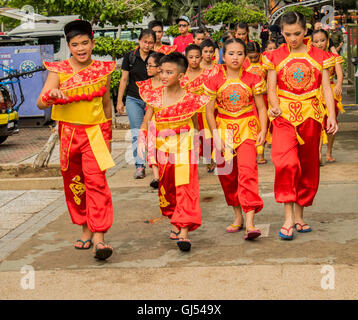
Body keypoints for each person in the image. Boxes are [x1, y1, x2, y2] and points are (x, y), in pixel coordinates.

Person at [37, 20, 116, 260]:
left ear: (92, 43)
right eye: (75, 44)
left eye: (85, 43)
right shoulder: (58, 70)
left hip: (96, 133)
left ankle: (100, 237)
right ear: (68, 46)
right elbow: (40, 102)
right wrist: (51, 95)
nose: (80, 48)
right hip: (69, 134)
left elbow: (106, 104)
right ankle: (85, 227)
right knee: (76, 183)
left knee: (97, 182)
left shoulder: (104, 70)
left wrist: (109, 136)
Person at [263, 11, 338, 240]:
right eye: (287, 34)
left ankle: (299, 215)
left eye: (297, 34)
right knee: (286, 162)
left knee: (307, 165)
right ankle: (287, 217)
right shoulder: (274, 56)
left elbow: (326, 88)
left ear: (305, 31)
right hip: (284, 115)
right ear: (282, 33)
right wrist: (274, 107)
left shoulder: (320, 56)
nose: (292, 38)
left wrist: (331, 116)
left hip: (312, 115)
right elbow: (271, 87)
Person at [138, 52, 210, 251]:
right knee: (168, 190)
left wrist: (200, 143)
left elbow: (195, 123)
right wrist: (142, 140)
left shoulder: (191, 99)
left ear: (180, 76)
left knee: (185, 189)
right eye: (162, 71)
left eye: (169, 72)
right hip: (163, 151)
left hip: (185, 149)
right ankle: (175, 220)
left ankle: (184, 232)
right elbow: (146, 122)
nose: (163, 76)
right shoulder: (153, 97)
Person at [204, 38, 268, 240]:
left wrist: (263, 130)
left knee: (248, 173)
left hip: (248, 129)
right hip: (224, 131)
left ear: (245, 56)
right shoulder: (214, 80)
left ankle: (250, 222)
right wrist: (215, 135)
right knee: (228, 177)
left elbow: (261, 107)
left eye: (240, 53)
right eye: (231, 53)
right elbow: (209, 111)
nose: (235, 57)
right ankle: (238, 216)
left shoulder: (253, 79)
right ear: (223, 55)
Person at [116, 29, 156, 179]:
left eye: (150, 42)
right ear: (139, 41)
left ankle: (156, 163)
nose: (147, 45)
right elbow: (124, 79)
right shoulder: (130, 56)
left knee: (153, 133)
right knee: (137, 133)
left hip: (152, 101)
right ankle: (140, 165)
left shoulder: (157, 57)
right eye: (145, 42)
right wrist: (120, 100)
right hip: (133, 98)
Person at [311, 29, 344, 165]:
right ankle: (317, 152)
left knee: (331, 122)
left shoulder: (333, 57)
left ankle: (328, 152)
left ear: (328, 41)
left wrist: (339, 85)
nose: (320, 44)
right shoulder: (310, 58)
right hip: (314, 93)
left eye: (322, 40)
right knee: (317, 123)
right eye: (316, 41)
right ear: (312, 43)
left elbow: (339, 73)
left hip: (330, 92)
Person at [181, 44, 216, 172]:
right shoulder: (181, 76)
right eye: (191, 57)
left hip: (205, 111)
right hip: (187, 114)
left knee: (206, 138)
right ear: (186, 58)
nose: (194, 60)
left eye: (197, 57)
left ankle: (209, 160)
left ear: (201, 58)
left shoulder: (208, 75)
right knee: (191, 139)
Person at [136, 52, 165, 189]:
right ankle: (156, 177)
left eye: (150, 65)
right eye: (146, 65)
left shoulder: (168, 83)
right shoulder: (146, 85)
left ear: (159, 68)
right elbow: (149, 108)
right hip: (152, 118)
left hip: (167, 120)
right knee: (152, 148)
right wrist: (144, 126)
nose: (147, 68)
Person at [244, 41, 268, 165]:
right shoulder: (243, 65)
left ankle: (261, 154)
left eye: (255, 56)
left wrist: (266, 90)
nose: (253, 59)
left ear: (259, 53)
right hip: (249, 101)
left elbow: (270, 81)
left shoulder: (265, 63)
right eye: (251, 57)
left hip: (263, 99)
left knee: (262, 125)